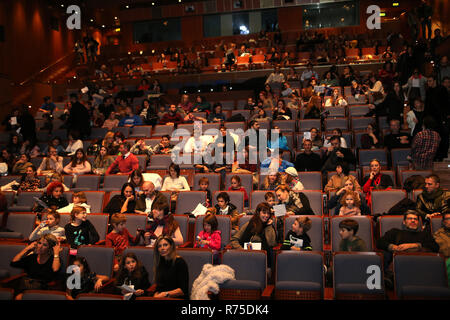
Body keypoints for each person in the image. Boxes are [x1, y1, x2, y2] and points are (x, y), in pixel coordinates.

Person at [10, 234, 61, 299]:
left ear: (50, 248)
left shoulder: (53, 259)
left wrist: (56, 253)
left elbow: (55, 269)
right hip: (26, 287)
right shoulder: (32, 257)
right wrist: (27, 249)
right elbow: (14, 263)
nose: (40, 246)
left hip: (43, 291)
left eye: (45, 245)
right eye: (39, 243)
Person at [230, 202, 277, 268]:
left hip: (262, 259)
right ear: (258, 213)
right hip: (246, 256)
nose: (266, 216)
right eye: (264, 213)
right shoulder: (250, 224)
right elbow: (234, 240)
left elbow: (271, 243)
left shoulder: (269, 227)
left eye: (268, 213)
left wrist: (269, 226)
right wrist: (243, 250)